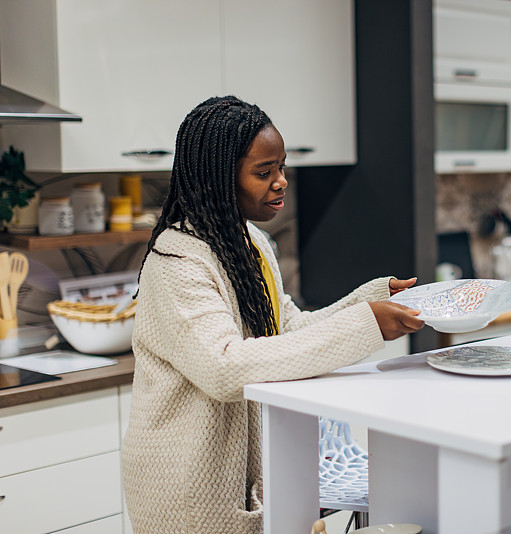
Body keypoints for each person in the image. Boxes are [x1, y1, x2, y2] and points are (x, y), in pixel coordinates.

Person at [121, 95, 425, 534]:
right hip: (186, 490)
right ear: (218, 178)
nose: (281, 182)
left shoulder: (253, 243)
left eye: (281, 167)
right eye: (264, 172)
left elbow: (289, 330)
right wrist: (366, 323)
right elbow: (225, 368)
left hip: (246, 479)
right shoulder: (177, 261)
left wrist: (371, 304)